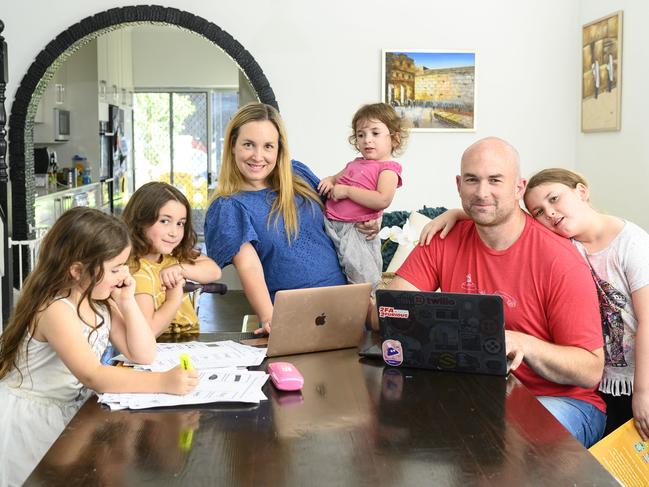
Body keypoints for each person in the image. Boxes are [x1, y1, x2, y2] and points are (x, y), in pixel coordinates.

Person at [376, 137, 605, 447]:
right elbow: (391, 311)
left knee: (497, 443)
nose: (482, 192)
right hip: (479, 395)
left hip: (561, 400)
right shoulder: (444, 237)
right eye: (472, 180)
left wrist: (523, 342)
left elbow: (590, 370)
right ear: (459, 185)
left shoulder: (560, 260)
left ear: (518, 188)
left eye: (495, 180)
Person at [421, 168, 649, 440]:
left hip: (641, 375)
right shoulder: (568, 244)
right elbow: (508, 219)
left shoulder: (631, 244)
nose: (549, 213)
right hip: (608, 377)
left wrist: (643, 392)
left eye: (554, 199)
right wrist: (456, 213)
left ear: (582, 191)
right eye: (538, 211)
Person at [0, 207, 198, 486]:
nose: (122, 275)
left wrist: (127, 301)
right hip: (32, 416)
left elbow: (142, 353)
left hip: (66, 409)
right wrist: (163, 382)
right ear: (78, 270)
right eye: (115, 268)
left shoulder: (99, 301)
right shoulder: (56, 310)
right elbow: (93, 375)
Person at [204, 103, 377, 335]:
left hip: (345, 303)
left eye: (268, 146)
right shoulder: (229, 206)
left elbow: (338, 214)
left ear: (279, 149)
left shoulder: (299, 175)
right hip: (294, 315)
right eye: (248, 145)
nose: (258, 156)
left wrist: (367, 222)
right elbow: (249, 265)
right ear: (233, 146)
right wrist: (268, 317)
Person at [317, 103, 406, 288]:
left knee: (362, 276)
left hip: (356, 230)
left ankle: (369, 308)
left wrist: (347, 191)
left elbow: (382, 199)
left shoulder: (388, 169)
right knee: (335, 270)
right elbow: (335, 178)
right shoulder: (355, 163)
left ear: (394, 138)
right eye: (361, 134)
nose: (367, 140)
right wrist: (329, 180)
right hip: (331, 224)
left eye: (375, 133)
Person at [122, 182, 222, 337]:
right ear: (140, 221)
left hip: (187, 340)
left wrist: (181, 269)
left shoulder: (172, 256)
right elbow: (149, 331)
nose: (174, 233)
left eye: (180, 223)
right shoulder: (136, 270)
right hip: (163, 345)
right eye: (164, 221)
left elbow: (214, 271)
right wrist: (174, 297)